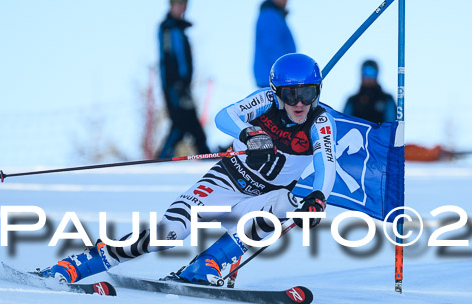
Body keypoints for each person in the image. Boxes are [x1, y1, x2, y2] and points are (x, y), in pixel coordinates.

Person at [35, 53, 337, 286]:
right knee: (168, 232)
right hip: (226, 182)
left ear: (318, 92)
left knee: (289, 205)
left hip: (263, 197)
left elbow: (326, 164)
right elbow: (225, 117)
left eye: (307, 94)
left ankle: (205, 265)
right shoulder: (264, 100)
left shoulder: (321, 122)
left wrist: (317, 199)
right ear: (276, 92)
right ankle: (76, 265)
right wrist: (249, 134)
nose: (299, 103)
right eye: (290, 94)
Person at [157, 0, 210, 159]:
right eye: (177, 4)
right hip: (174, 86)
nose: (181, 8)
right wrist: (176, 83)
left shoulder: (179, 29)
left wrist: (184, 82)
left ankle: (207, 156)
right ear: (171, 6)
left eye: (183, 5)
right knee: (180, 124)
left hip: (183, 86)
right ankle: (162, 158)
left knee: (191, 124)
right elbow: (168, 58)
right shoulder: (168, 28)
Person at [253, 0, 296, 88]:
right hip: (276, 78)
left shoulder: (274, 15)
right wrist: (287, 72)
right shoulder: (270, 15)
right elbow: (270, 46)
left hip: (277, 77)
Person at [343, 59, 397, 124]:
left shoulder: (386, 99)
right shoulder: (353, 101)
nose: (368, 77)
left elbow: (391, 126)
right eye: (365, 72)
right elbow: (344, 123)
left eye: (372, 73)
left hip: (380, 134)